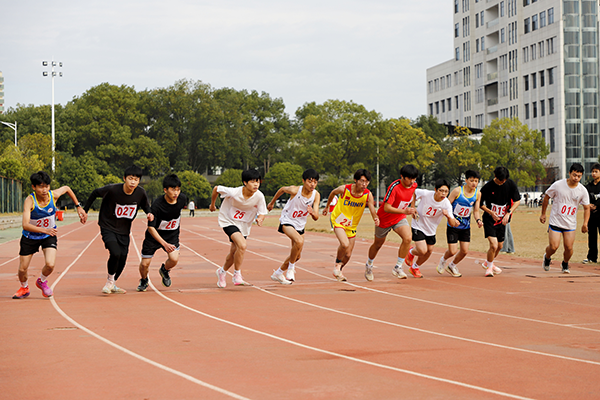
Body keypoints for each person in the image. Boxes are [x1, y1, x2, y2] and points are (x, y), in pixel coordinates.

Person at [13, 171, 87, 299]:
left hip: (48, 236)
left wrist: (78, 206)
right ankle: (24, 288)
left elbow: (67, 188)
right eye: (41, 187)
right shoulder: (29, 201)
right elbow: (25, 224)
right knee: (22, 269)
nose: (44, 190)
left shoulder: (53, 196)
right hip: (30, 237)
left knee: (50, 264)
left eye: (46, 186)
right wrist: (44, 230)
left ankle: (41, 281)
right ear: (33, 187)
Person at [83, 165, 153, 294]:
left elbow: (145, 205)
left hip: (124, 230)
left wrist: (149, 213)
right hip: (107, 226)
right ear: (124, 178)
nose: (133, 182)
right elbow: (95, 193)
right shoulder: (113, 189)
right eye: (130, 178)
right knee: (115, 252)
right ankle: (110, 282)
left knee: (123, 258)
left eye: (136, 179)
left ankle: (113, 283)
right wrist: (85, 210)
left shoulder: (140, 193)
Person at [210, 169, 268, 288]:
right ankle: (237, 274)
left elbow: (262, 212)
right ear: (245, 182)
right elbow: (216, 188)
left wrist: (260, 218)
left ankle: (222, 271)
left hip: (244, 225)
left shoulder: (259, 196)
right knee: (242, 245)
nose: (256, 184)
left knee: (234, 252)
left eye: (257, 181)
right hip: (228, 220)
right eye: (252, 182)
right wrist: (212, 204)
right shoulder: (234, 192)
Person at [323, 169, 379, 281]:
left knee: (348, 255)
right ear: (355, 180)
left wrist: (375, 218)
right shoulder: (345, 189)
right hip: (338, 220)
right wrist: (327, 206)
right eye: (362, 181)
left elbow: (372, 208)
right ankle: (337, 265)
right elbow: (333, 192)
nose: (364, 184)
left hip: (351, 225)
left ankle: (339, 270)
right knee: (344, 244)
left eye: (367, 182)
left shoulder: (367, 195)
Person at [365, 164, 419, 281]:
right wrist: (404, 210)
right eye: (409, 179)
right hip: (384, 219)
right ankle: (369, 265)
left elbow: (413, 195)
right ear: (402, 177)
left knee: (408, 238)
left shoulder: (414, 185)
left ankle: (398, 267)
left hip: (399, 218)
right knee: (378, 244)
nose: (412, 181)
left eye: (414, 179)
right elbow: (386, 207)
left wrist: (413, 208)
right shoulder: (394, 187)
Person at [267, 169, 321, 284]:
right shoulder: (295, 190)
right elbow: (282, 189)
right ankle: (291, 269)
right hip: (287, 220)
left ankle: (278, 273)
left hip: (300, 225)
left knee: (297, 256)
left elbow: (316, 217)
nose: (312, 184)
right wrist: (272, 203)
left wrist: (312, 213)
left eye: (315, 182)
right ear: (303, 181)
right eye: (310, 181)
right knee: (299, 241)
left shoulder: (316, 195)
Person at [137, 174, 188, 291]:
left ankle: (164, 270)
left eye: (178, 189)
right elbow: (151, 228)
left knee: (174, 259)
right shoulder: (157, 205)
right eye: (173, 190)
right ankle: (144, 280)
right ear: (165, 190)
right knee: (144, 264)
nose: (176, 193)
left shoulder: (182, 199)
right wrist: (164, 244)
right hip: (154, 236)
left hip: (172, 235)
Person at [403, 179, 459, 278]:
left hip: (431, 229)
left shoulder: (447, 204)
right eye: (441, 191)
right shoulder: (426, 194)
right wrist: (413, 207)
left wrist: (448, 216)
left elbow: (452, 223)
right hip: (418, 225)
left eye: (446, 191)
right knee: (422, 250)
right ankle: (410, 252)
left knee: (429, 251)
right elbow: (414, 192)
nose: (443, 194)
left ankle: (415, 267)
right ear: (435, 190)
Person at [540, 163, 590, 273]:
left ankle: (565, 263)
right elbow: (547, 197)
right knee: (553, 247)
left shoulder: (582, 190)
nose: (576, 178)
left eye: (579, 176)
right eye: (574, 175)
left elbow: (587, 208)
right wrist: (543, 214)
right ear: (569, 173)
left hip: (570, 223)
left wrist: (585, 223)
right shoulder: (558, 185)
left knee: (569, 248)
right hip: (556, 221)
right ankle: (547, 257)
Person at [437, 170, 483, 278]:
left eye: (476, 181)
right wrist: (451, 218)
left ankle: (452, 266)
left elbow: (476, 210)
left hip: (465, 226)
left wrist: (478, 220)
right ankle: (443, 260)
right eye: (471, 180)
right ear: (466, 180)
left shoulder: (477, 194)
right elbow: (447, 205)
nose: (474, 183)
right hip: (453, 225)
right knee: (452, 251)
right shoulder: (457, 191)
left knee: (464, 251)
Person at [479, 166, 521, 277]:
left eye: (504, 180)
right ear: (495, 176)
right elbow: (480, 204)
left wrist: (509, 213)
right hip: (489, 219)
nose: (503, 182)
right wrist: (491, 212)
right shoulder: (487, 187)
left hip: (502, 220)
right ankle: (489, 269)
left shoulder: (510, 184)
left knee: (500, 246)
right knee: (493, 245)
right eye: (500, 180)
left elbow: (517, 201)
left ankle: (488, 262)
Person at [583, 163, 600, 263]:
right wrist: (588, 205)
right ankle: (592, 258)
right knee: (592, 237)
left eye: (596, 172)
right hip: (591, 216)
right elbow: (584, 198)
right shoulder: (588, 186)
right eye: (592, 171)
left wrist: (596, 205)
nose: (593, 173)